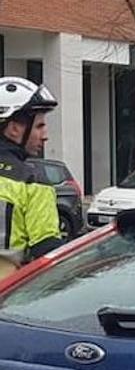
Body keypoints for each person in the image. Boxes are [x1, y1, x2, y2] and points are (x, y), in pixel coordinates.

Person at [0, 78, 62, 270]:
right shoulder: (32, 183)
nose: (45, 136)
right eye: (39, 126)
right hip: (11, 295)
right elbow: (47, 254)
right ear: (14, 128)